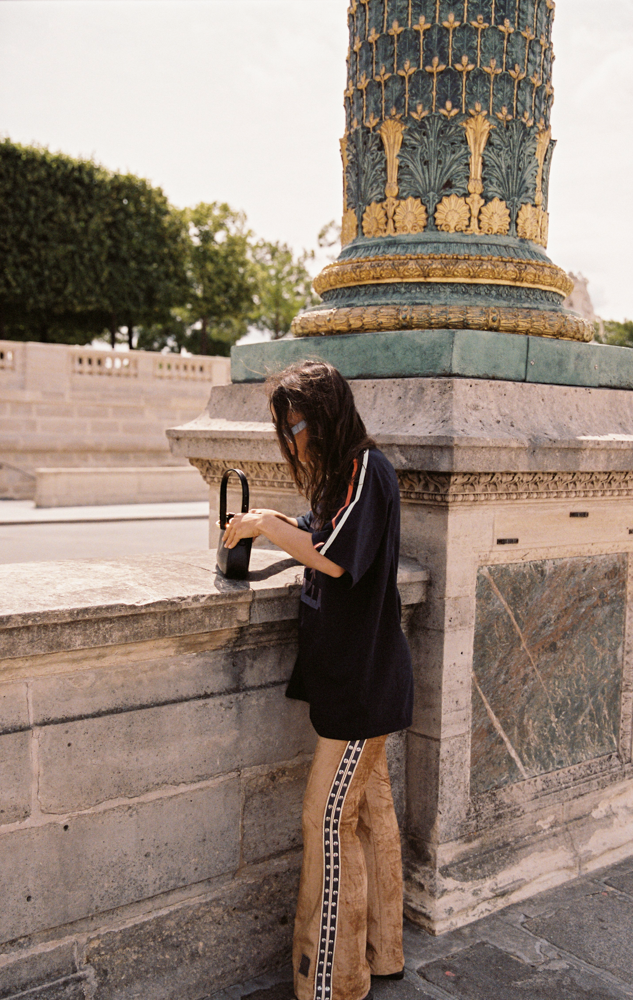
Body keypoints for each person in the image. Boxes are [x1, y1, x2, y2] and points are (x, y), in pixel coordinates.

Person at [222, 360, 413, 1000]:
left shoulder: (365, 468)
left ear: (325, 417)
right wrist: (281, 519)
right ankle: (384, 953)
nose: (291, 437)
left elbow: (331, 558)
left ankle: (332, 979)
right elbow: (327, 535)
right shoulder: (348, 476)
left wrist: (264, 526)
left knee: (325, 822)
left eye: (295, 422)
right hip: (362, 680)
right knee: (370, 812)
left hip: (359, 688)